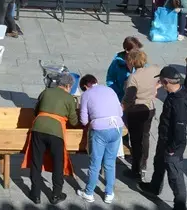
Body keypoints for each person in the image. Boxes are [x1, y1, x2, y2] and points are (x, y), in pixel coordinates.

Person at [139, 67, 187, 210]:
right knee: (158, 162)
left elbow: (179, 129)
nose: (160, 84)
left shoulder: (179, 102)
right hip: (165, 138)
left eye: (160, 81)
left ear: (166, 82)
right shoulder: (178, 92)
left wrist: (172, 149)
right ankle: (154, 187)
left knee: (175, 176)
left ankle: (179, 205)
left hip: (173, 144)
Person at [24, 73, 78, 205]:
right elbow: (74, 121)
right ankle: (56, 194)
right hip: (56, 132)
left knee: (36, 161)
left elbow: (36, 111)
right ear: (68, 86)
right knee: (58, 163)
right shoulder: (70, 98)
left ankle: (35, 194)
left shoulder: (45, 91)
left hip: (38, 128)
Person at [75, 74, 123, 204]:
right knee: (110, 162)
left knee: (95, 163)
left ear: (85, 86)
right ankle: (109, 193)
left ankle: (89, 192)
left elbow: (84, 120)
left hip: (100, 129)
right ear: (96, 81)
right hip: (117, 127)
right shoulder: (110, 90)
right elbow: (120, 112)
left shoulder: (86, 94)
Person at [122, 50, 161, 183]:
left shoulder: (133, 78)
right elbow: (162, 79)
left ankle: (136, 170)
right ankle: (143, 165)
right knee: (145, 136)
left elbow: (128, 99)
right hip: (150, 109)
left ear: (131, 62)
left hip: (136, 111)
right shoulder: (155, 69)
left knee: (136, 140)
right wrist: (155, 88)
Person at [105, 36, 143, 101]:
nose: (138, 53)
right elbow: (110, 78)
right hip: (122, 98)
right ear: (127, 50)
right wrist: (117, 93)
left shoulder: (140, 59)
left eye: (138, 50)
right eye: (135, 50)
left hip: (137, 98)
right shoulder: (117, 63)